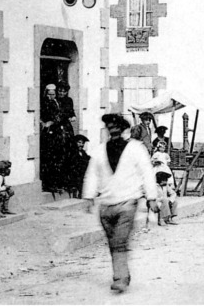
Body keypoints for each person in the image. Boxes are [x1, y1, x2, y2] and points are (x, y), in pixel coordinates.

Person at [83, 113, 158, 293]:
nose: (113, 132)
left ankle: (120, 277)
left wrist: (151, 197)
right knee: (113, 242)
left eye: (116, 128)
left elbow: (147, 172)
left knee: (119, 240)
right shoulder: (100, 150)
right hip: (106, 204)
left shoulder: (136, 148)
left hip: (128, 201)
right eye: (110, 128)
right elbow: (92, 173)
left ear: (123, 129)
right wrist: (89, 196)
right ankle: (122, 272)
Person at [40, 84, 66, 192]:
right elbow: (41, 116)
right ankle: (49, 184)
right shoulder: (45, 103)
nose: (51, 96)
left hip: (58, 133)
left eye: (53, 94)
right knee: (50, 159)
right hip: (49, 134)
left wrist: (54, 122)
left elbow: (60, 116)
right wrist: (44, 123)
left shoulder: (58, 102)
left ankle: (57, 183)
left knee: (58, 158)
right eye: (49, 94)